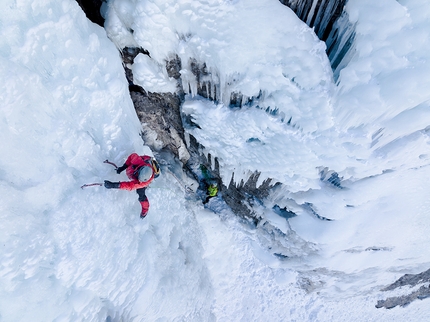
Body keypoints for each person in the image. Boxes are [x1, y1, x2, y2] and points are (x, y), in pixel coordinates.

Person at [104, 153, 160, 218]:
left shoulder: (142, 183)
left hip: (146, 173)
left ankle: (145, 211)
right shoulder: (138, 161)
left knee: (141, 194)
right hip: (145, 163)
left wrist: (113, 185)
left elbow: (129, 186)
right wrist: (122, 167)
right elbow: (132, 156)